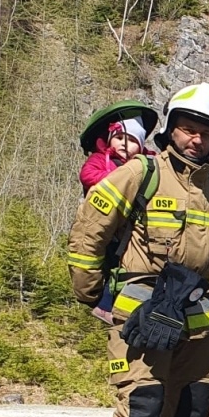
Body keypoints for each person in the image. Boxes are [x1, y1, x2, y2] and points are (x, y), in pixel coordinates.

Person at [67, 83, 209, 417]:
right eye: (187, 129)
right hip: (144, 314)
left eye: (205, 133)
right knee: (141, 410)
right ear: (171, 130)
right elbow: (89, 231)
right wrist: (93, 293)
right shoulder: (141, 172)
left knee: (190, 412)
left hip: (196, 318)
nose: (195, 139)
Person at [77, 104, 157, 324]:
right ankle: (102, 303)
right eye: (120, 137)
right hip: (104, 221)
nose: (124, 144)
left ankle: (121, 306)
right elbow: (87, 176)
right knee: (105, 261)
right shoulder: (100, 159)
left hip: (130, 227)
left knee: (126, 266)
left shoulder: (145, 165)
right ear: (110, 138)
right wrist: (118, 180)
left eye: (132, 140)